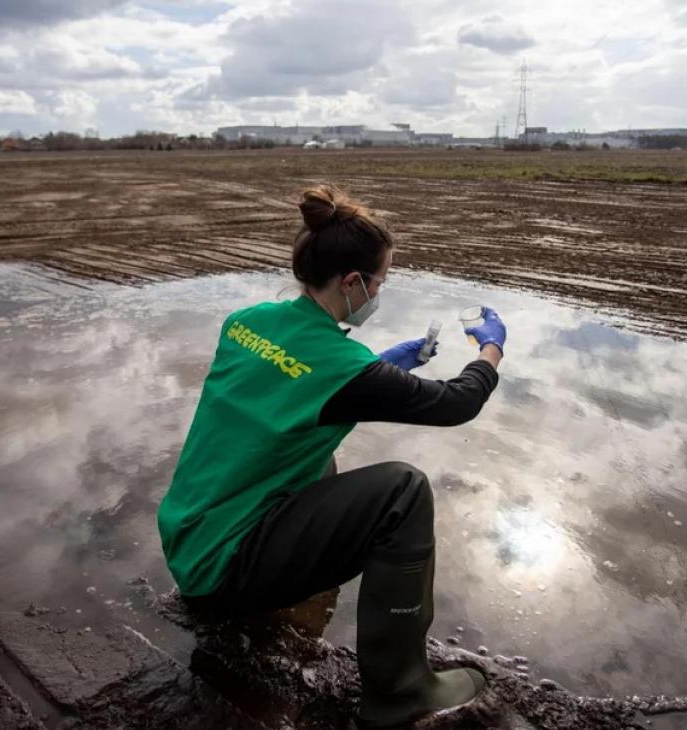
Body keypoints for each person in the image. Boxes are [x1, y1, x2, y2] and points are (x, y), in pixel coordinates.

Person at [157, 185, 507, 728]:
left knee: (319, 457)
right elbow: (456, 403)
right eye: (380, 282)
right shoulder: (345, 368)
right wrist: (491, 349)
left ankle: (283, 594)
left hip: (189, 543)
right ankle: (400, 689)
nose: (378, 293)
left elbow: (291, 388)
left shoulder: (246, 321)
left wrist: (381, 367)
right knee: (402, 491)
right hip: (223, 570)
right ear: (352, 282)